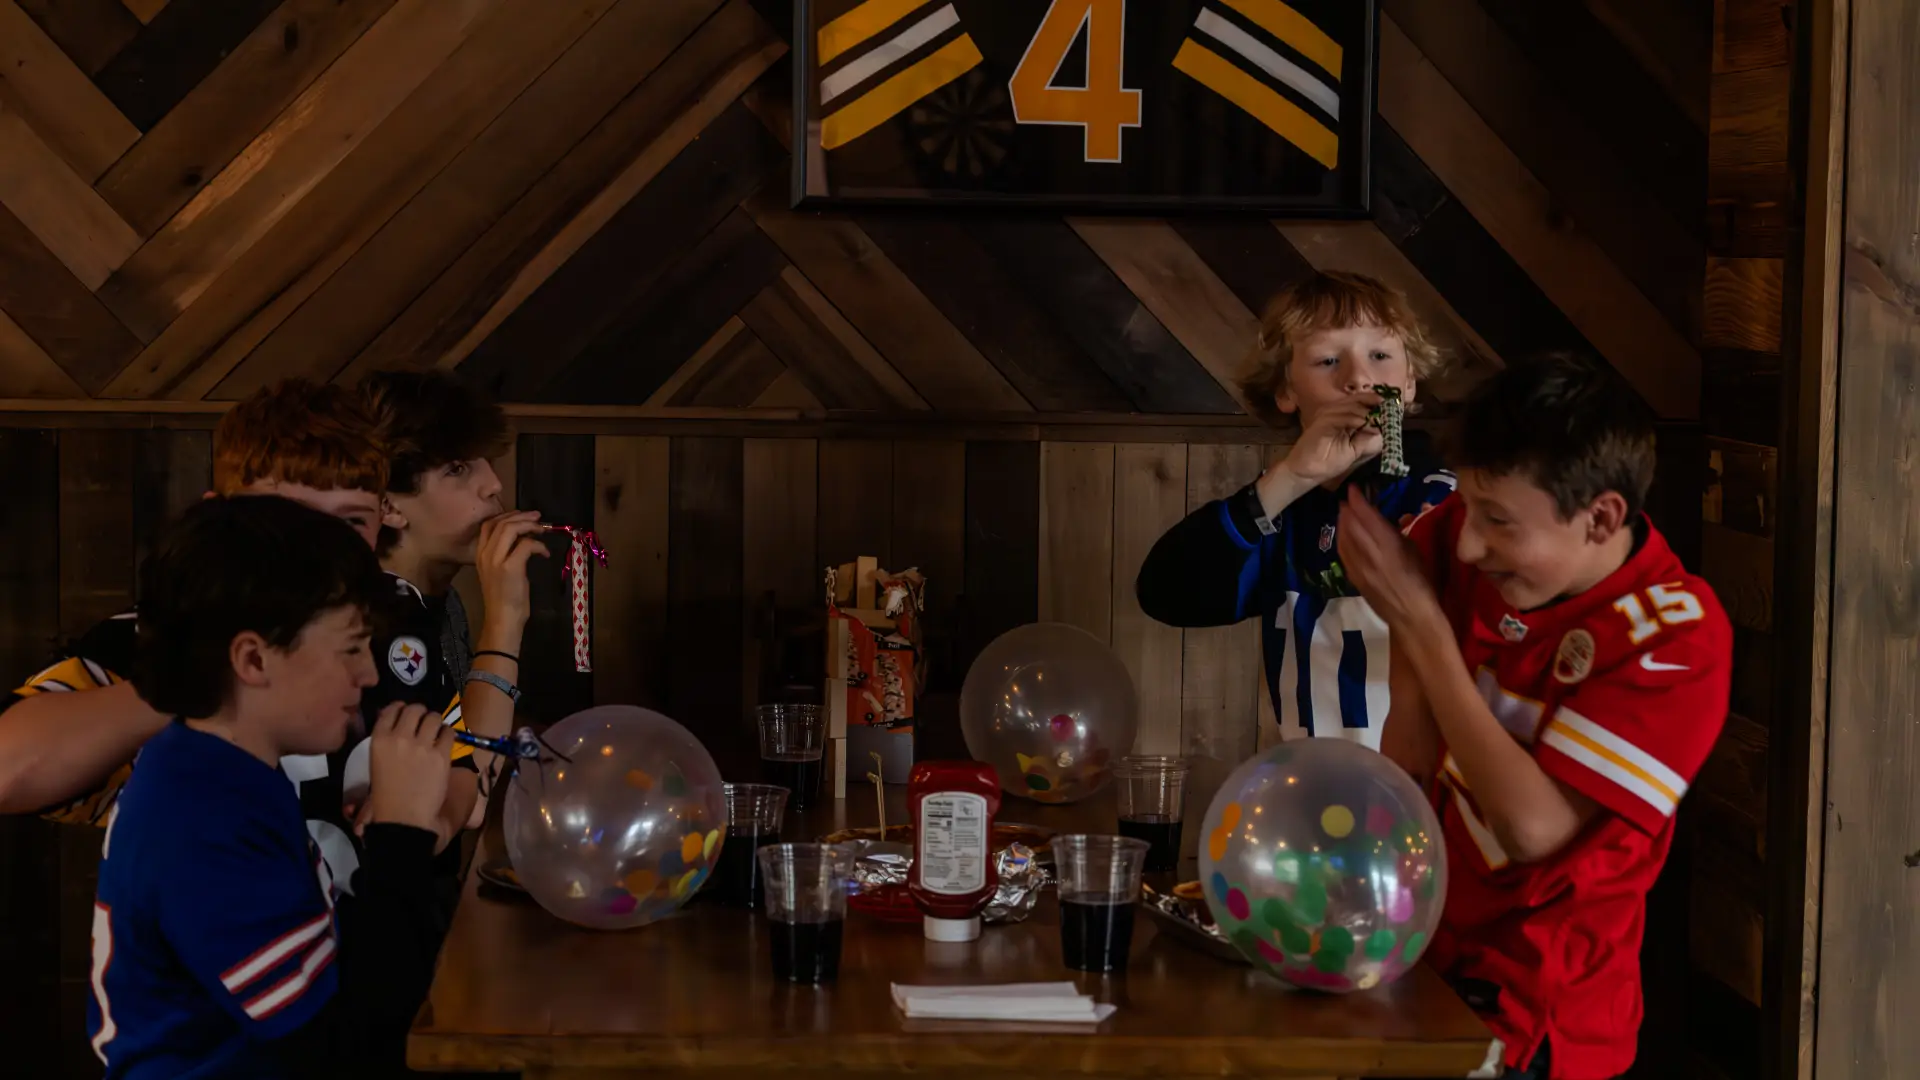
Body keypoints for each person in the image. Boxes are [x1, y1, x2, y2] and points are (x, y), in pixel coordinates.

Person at [1335, 352, 1733, 1079]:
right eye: (1468, 508)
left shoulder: (1678, 636)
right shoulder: (1464, 541)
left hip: (1541, 1015)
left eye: (1499, 523)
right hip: (1416, 958)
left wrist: (1424, 629)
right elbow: (1411, 757)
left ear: (1601, 517)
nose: (1467, 543)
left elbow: (1534, 828)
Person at [0, 380, 479, 898]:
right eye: (286, 519)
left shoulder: (395, 626)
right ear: (218, 521)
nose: (318, 550)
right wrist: (202, 679)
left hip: (396, 954)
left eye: (350, 523)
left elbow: (459, 760)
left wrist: (436, 823)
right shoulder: (155, 638)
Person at [88, 494, 453, 1079]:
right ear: (254, 660)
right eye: (351, 648)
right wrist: (401, 833)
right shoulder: (201, 817)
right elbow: (347, 1045)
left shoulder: (228, 772)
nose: (371, 673)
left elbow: (337, 969)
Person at [1134, 271, 1457, 750]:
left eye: (1381, 356)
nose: (1360, 379)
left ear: (1409, 383)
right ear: (1286, 392)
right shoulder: (1280, 514)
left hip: (1422, 798)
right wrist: (1289, 479)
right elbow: (1166, 594)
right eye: (1328, 360)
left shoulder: (1445, 501)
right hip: (1312, 794)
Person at [355, 370, 546, 833]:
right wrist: (505, 618)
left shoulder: (441, 601)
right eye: (457, 470)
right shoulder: (375, 620)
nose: (493, 484)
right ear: (389, 507)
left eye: (483, 461)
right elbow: (463, 801)